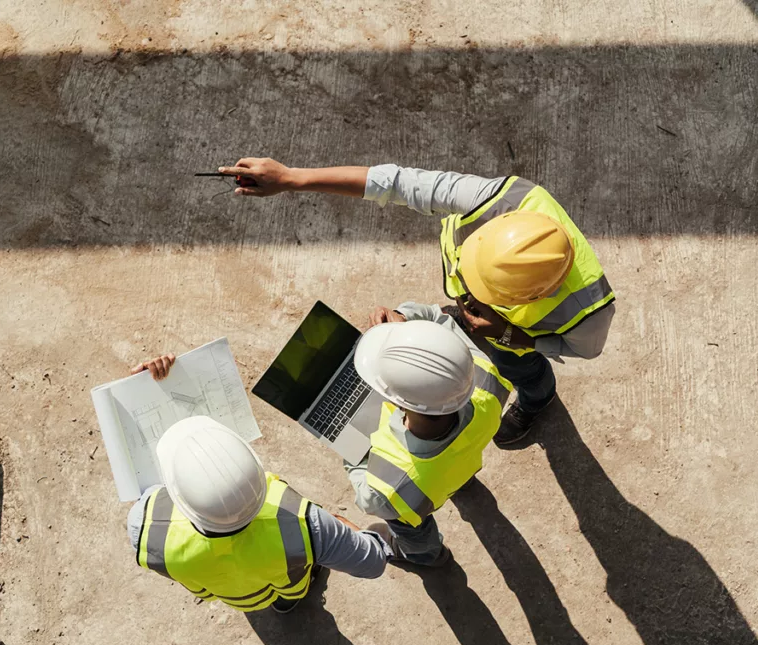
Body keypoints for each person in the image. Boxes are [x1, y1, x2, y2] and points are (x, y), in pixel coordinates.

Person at [216, 158, 615, 445]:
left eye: (482, 292)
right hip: (500, 324)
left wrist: (516, 337)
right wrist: (291, 178)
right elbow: (396, 182)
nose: (466, 295)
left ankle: (538, 398)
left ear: (534, 295)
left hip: (514, 339)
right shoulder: (496, 199)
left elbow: (585, 352)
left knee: (524, 371)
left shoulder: (589, 314)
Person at [126, 371, 392, 613]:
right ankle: (288, 601)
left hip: (233, 595)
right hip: (287, 583)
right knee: (290, 588)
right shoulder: (307, 524)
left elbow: (144, 479)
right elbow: (372, 562)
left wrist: (143, 388)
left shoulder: (145, 527)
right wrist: (347, 529)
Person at [345, 306, 512, 566]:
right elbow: (438, 319)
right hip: (458, 465)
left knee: (412, 529)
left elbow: (367, 497)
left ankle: (426, 555)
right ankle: (462, 485)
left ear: (394, 402)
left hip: (419, 495)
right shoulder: (487, 379)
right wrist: (405, 323)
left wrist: (349, 444)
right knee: (455, 469)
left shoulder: (387, 489)